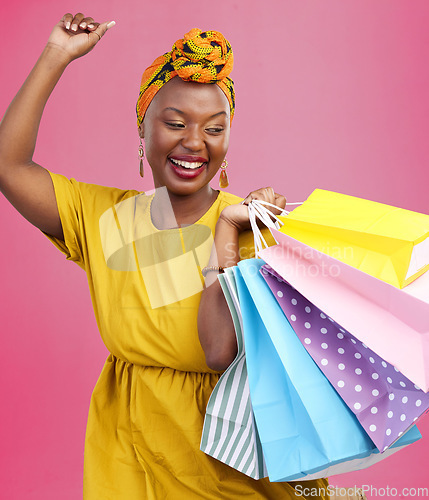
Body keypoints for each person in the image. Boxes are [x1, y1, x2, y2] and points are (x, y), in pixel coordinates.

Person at [0, 13, 329, 499]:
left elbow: (227, 356)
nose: (194, 142)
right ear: (144, 128)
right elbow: (9, 165)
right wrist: (57, 55)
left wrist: (228, 232)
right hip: (128, 448)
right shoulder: (104, 218)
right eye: (175, 123)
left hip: (230, 457)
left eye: (214, 129)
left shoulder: (255, 228)